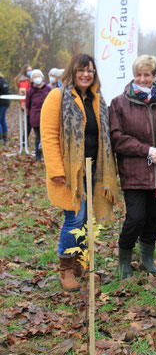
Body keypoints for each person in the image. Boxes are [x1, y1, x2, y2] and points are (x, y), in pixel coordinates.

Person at [40, 53, 119, 291]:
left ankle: (79, 261)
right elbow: (49, 136)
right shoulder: (58, 96)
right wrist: (56, 169)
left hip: (94, 168)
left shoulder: (97, 98)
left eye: (90, 71)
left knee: (86, 218)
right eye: (81, 70)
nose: (86, 74)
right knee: (74, 216)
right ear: (72, 72)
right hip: (70, 172)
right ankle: (66, 267)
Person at [109, 54, 156, 279]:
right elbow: (116, 137)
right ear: (134, 76)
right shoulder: (119, 103)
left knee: (153, 218)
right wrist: (147, 150)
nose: (143, 79)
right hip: (133, 172)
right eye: (139, 75)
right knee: (135, 217)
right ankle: (124, 260)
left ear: (154, 76)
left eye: (147, 75)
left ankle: (147, 259)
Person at [26, 69, 51, 161]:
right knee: (38, 137)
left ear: (42, 77)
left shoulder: (48, 89)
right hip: (35, 116)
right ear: (32, 79)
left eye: (38, 76)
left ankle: (47, 155)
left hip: (47, 116)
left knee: (47, 137)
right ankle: (38, 155)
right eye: (35, 77)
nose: (37, 78)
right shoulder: (30, 91)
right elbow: (27, 104)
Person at [14, 64, 33, 139]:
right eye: (28, 70)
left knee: (29, 122)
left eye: (31, 70)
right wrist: (23, 103)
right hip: (27, 103)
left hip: (28, 102)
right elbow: (23, 93)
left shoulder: (26, 79)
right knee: (29, 123)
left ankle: (25, 139)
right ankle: (24, 140)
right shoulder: (24, 80)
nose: (30, 71)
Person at [0, 73, 10, 143]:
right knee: (2, 119)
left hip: (1, 102)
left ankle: (0, 138)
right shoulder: (4, 80)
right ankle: (5, 137)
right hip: (6, 102)